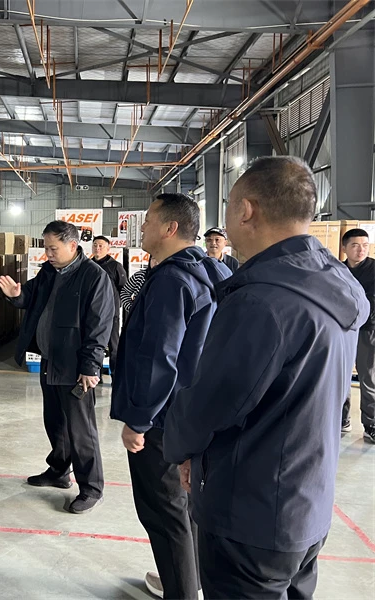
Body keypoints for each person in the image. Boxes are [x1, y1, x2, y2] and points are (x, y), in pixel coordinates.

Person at [163, 157, 369, 599]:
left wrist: (181, 448)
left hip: (250, 512)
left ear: (246, 210)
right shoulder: (336, 283)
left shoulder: (262, 300)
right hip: (306, 505)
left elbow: (213, 401)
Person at [111, 193, 231, 600]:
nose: (142, 227)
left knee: (163, 513)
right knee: (184, 507)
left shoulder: (170, 281)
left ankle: (181, 590)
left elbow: (159, 357)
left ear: (170, 228)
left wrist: (138, 420)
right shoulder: (208, 270)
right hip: (191, 411)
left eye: (148, 220)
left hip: (162, 419)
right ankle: (187, 579)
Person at [0, 221, 112, 514]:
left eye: (53, 248)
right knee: (55, 422)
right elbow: (30, 297)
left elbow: (99, 326)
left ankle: (92, 488)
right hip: (50, 360)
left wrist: (90, 367)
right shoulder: (49, 271)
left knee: (81, 430)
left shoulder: (93, 277)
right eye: (46, 248)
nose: (47, 254)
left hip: (75, 367)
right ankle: (59, 472)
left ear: (72, 245)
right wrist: (16, 295)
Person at [340, 228, 375, 441]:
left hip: (368, 329)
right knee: (341, 376)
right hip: (343, 329)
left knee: (368, 378)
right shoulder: (337, 270)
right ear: (344, 248)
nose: (361, 250)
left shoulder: (374, 269)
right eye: (355, 245)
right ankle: (342, 419)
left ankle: (371, 423)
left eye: (365, 245)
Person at [91, 235, 127, 376]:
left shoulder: (115, 266)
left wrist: (114, 304)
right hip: (92, 313)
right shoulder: (88, 266)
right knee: (93, 345)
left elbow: (123, 288)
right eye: (95, 245)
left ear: (108, 248)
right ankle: (95, 374)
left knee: (113, 346)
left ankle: (116, 377)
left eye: (101, 246)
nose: (97, 248)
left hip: (111, 314)